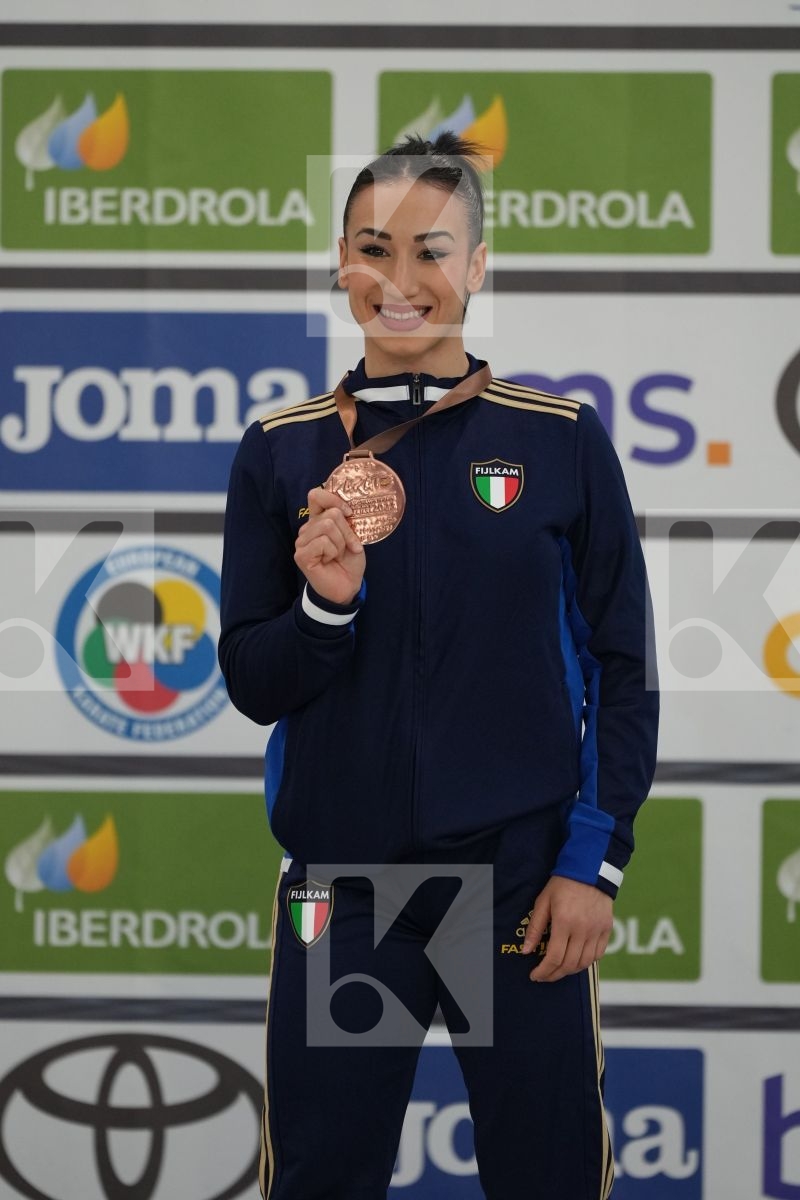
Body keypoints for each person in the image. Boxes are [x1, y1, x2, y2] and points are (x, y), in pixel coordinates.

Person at [219, 132, 659, 1200]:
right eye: (375, 249)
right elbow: (253, 682)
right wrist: (324, 608)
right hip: (345, 896)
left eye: (431, 251)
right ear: (341, 263)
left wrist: (590, 864)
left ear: (477, 265)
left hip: (517, 890)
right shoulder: (281, 449)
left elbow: (622, 665)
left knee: (546, 1178)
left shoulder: (558, 440)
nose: (401, 280)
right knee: (325, 1180)